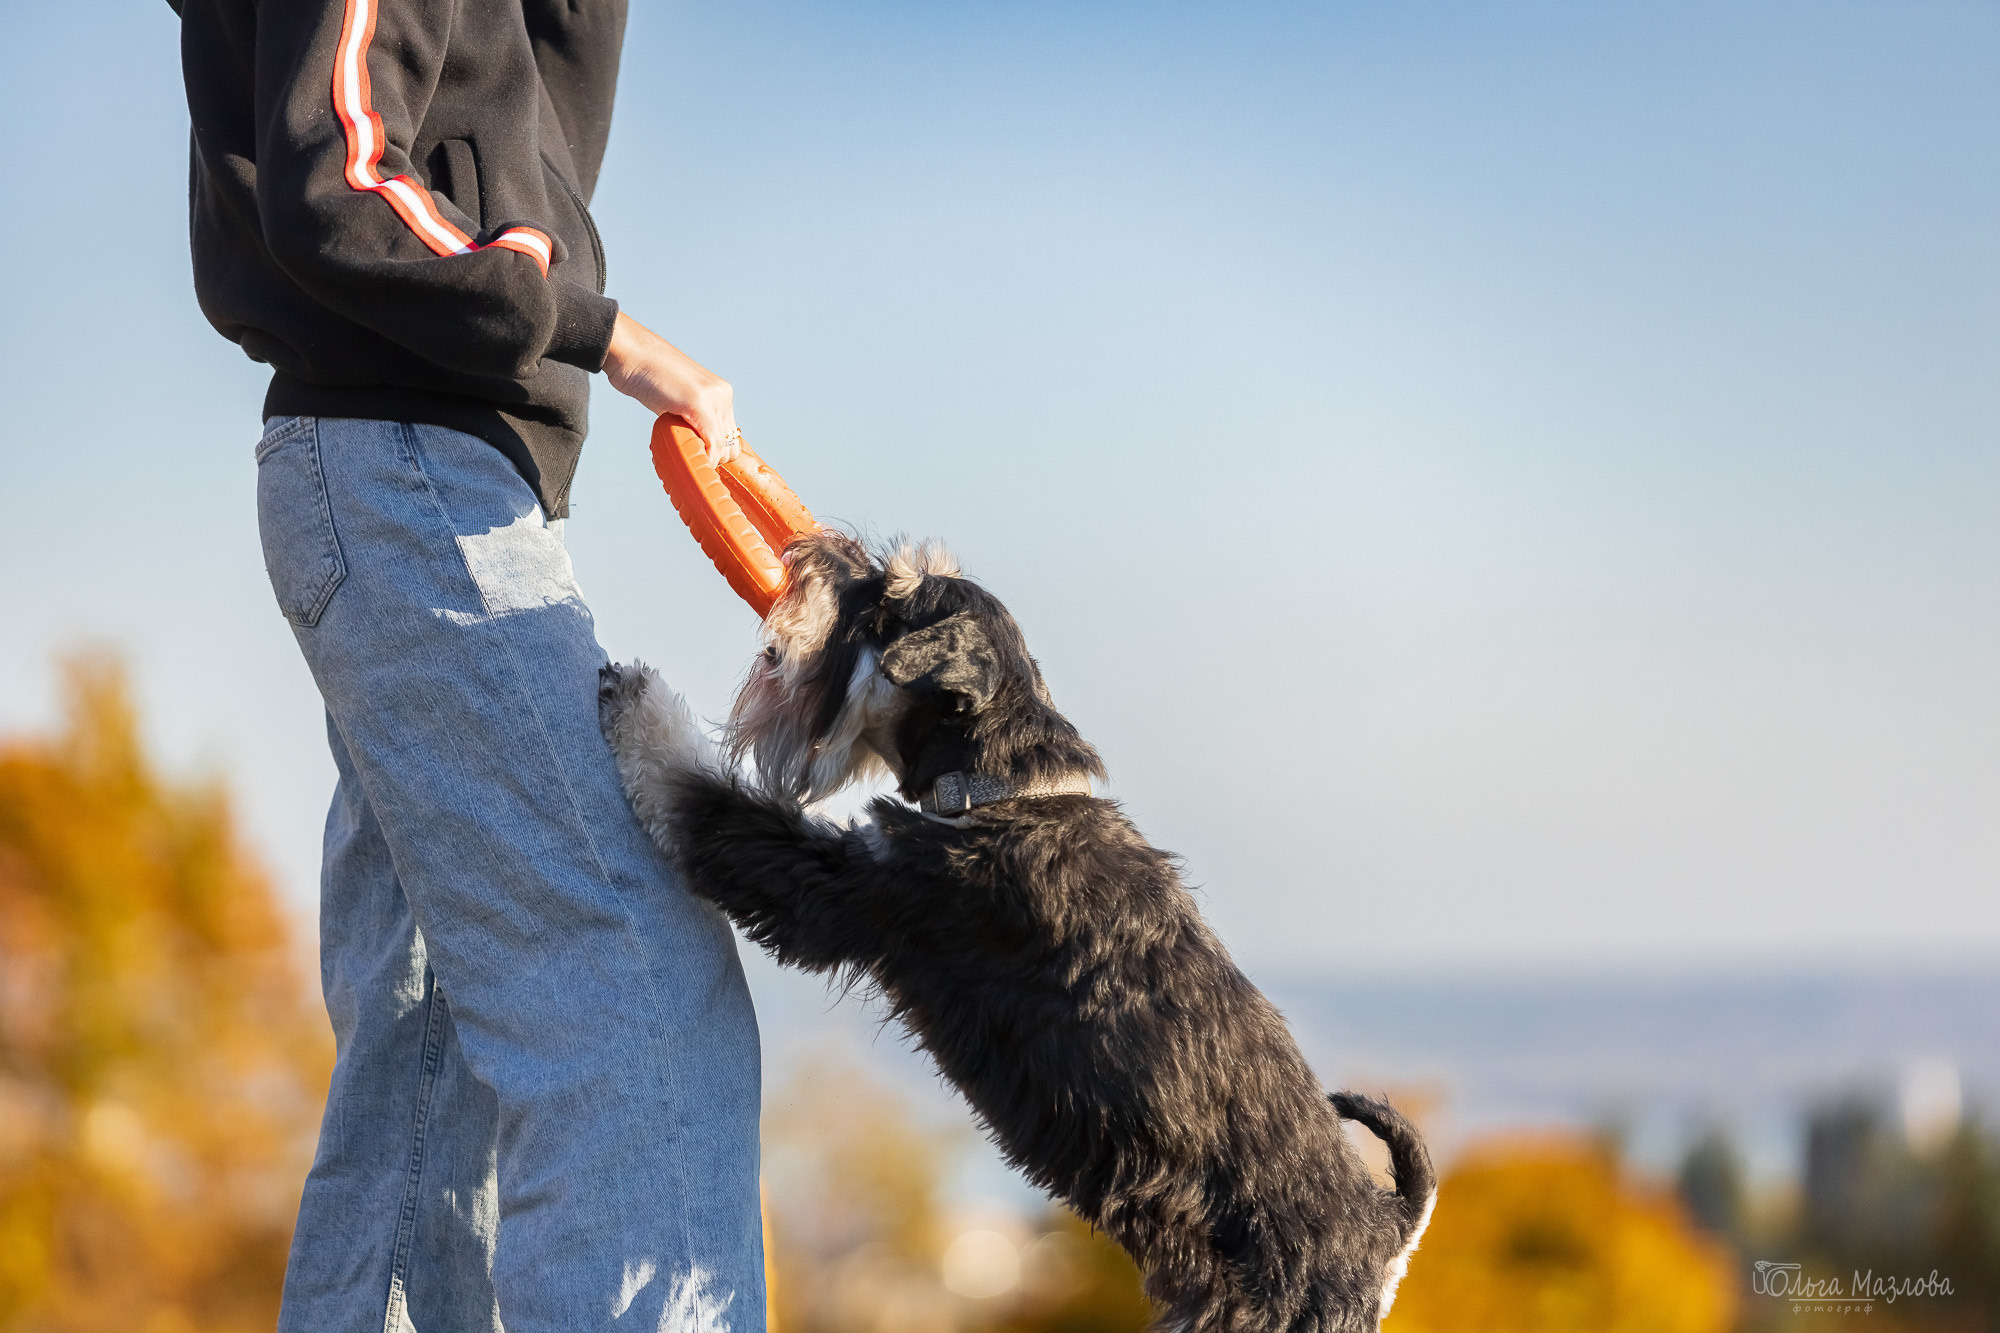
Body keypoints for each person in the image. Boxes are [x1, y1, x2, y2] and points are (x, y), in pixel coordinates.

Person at [170, 0, 766, 1328]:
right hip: (411, 474)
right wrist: (605, 332)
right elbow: (338, 173)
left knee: (424, 1063)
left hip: (424, 474)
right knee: (641, 992)